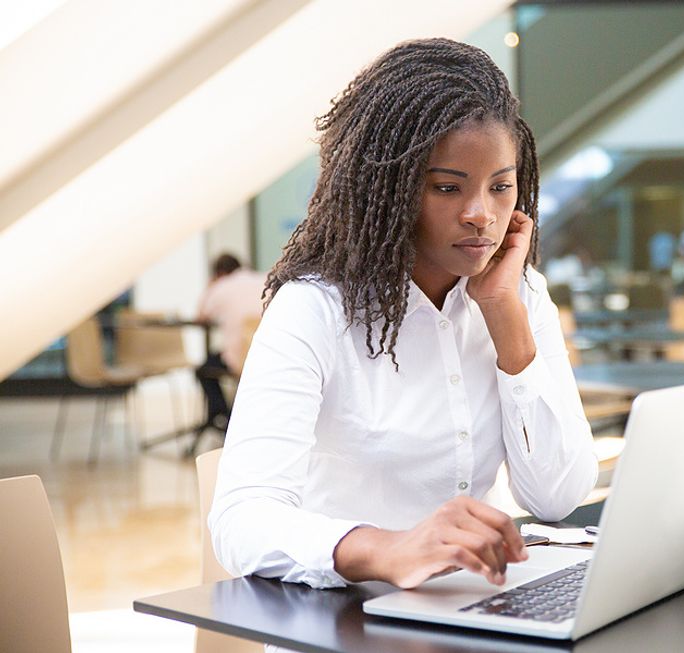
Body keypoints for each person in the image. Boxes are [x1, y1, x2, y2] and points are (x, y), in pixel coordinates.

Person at [208, 38, 597, 597]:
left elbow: (557, 496)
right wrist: (387, 548)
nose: (481, 215)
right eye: (447, 187)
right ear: (386, 190)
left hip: (467, 610)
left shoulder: (520, 294)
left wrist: (504, 316)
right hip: (340, 618)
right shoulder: (315, 308)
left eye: (501, 187)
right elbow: (240, 522)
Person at [195, 253, 266, 429]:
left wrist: (211, 287)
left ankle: (224, 418)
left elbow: (201, 317)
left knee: (203, 370)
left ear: (219, 273)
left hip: (239, 360)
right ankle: (230, 419)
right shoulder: (263, 280)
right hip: (267, 359)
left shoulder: (222, 286)